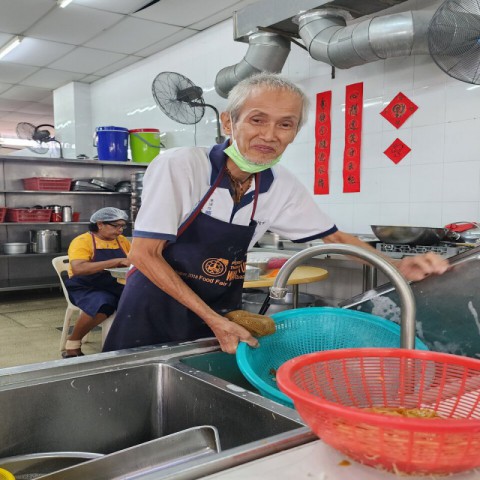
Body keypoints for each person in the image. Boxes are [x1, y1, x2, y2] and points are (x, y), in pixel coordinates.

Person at [103, 73, 448, 355]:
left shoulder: (280, 184)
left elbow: (335, 238)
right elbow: (144, 254)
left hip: (217, 314)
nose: (269, 135)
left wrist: (397, 266)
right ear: (228, 122)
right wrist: (213, 319)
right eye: (257, 120)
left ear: (294, 133)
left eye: (285, 124)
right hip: (151, 311)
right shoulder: (181, 166)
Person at [63, 207, 131, 358]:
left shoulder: (122, 241)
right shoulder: (82, 241)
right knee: (103, 303)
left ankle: (127, 341)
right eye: (116, 226)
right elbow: (79, 268)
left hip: (113, 283)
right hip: (85, 285)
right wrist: (116, 261)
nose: (120, 230)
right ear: (100, 224)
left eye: (123, 226)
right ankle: (73, 343)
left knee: (139, 298)